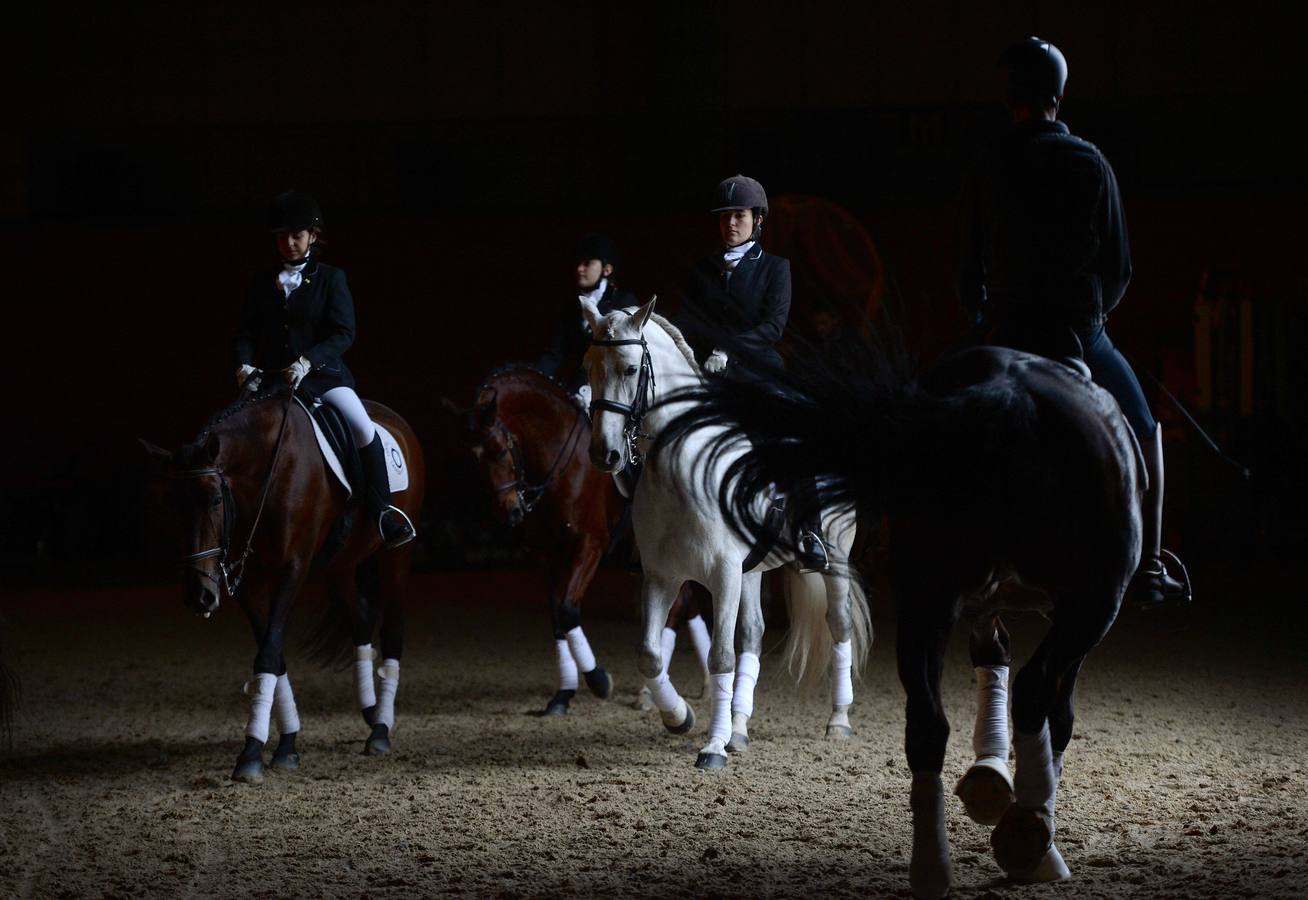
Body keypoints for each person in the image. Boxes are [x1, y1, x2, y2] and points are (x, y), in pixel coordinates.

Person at [958, 37, 1188, 607]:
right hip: (1078, 335)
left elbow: (966, 269)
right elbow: (1120, 267)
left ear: (1009, 97)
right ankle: (1149, 567)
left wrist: (985, 318)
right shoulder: (1090, 161)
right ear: (1057, 96)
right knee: (1143, 426)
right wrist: (1093, 319)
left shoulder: (987, 164)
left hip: (1006, 332)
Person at [233, 190, 416, 549]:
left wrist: (308, 361)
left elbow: (344, 332)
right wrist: (243, 363)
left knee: (363, 428)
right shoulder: (261, 283)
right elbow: (245, 331)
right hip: (271, 382)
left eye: (296, 236)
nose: (288, 243)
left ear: (313, 236)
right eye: (282, 237)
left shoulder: (332, 278)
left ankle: (382, 511)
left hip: (323, 378)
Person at [674, 175, 827, 572]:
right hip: (707, 373)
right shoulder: (702, 271)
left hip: (758, 372)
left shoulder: (776, 268)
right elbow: (689, 323)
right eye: (724, 216)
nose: (731, 223)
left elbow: (773, 327)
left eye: (739, 215)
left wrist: (729, 349)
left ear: (758, 220)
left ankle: (810, 532)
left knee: (791, 437)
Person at [537, 233, 637, 409]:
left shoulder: (624, 303)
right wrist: (536, 382)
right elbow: (554, 354)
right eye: (578, 263)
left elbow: (621, 358)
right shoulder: (570, 307)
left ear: (606, 269)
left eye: (587, 263)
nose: (579, 269)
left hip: (612, 393)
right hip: (573, 390)